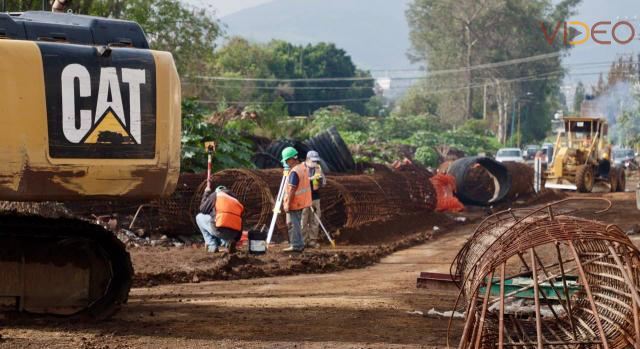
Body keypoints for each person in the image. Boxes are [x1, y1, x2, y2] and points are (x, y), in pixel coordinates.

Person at [196, 185, 244, 253]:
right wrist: (236, 239)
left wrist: (206, 193)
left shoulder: (216, 195)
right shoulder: (236, 201)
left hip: (220, 230)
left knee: (199, 217)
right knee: (220, 223)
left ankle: (212, 245)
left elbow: (203, 209)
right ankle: (227, 243)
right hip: (235, 235)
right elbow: (241, 222)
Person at [281, 146, 311, 252]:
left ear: (290, 159)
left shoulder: (294, 172)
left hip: (295, 202)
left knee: (294, 224)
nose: (286, 163)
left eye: (286, 160)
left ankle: (296, 245)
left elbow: (292, 190)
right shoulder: (303, 167)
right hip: (302, 201)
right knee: (296, 223)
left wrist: (287, 204)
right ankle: (299, 243)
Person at [301, 150, 326, 248]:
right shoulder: (301, 168)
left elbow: (323, 182)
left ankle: (312, 240)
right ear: (307, 159)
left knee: (315, 220)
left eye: (316, 161)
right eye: (313, 161)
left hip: (315, 198)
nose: (314, 163)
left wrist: (318, 179)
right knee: (303, 220)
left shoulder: (318, 168)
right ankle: (303, 241)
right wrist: (308, 180)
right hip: (303, 198)